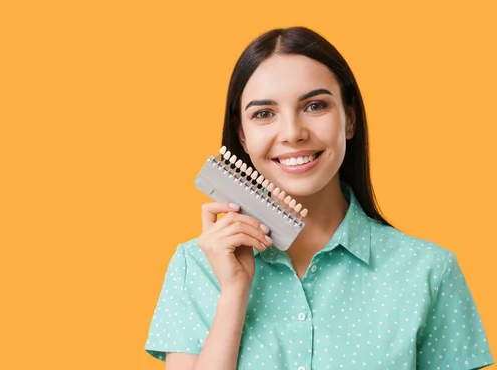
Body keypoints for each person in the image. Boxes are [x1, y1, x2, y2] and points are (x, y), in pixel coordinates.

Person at [144, 26, 494, 369]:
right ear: (243, 135)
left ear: (350, 119)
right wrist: (234, 294)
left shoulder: (427, 271)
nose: (293, 133)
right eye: (264, 114)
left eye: (314, 106)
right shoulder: (195, 268)